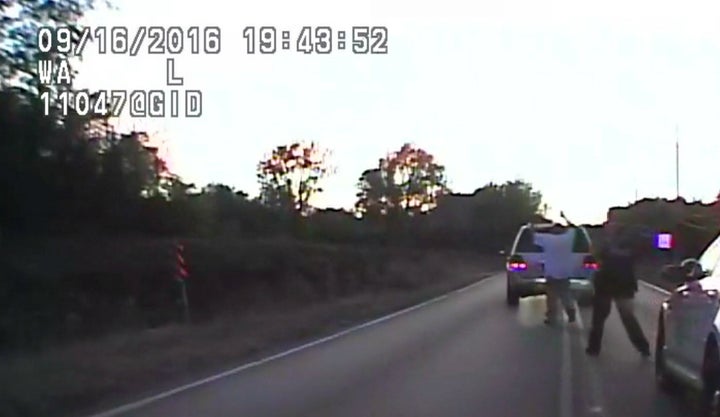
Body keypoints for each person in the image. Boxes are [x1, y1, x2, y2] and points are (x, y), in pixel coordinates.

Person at [585, 221, 650, 357]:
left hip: (622, 283)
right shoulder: (604, 242)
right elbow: (595, 257)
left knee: (627, 317)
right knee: (599, 317)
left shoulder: (627, 242)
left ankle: (643, 347)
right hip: (607, 282)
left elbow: (635, 256)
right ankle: (594, 348)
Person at [533, 223, 577, 325]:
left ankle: (551, 317)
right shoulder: (568, 238)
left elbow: (533, 234)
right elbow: (573, 228)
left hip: (551, 272)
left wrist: (535, 226)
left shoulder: (547, 239)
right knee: (565, 294)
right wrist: (565, 218)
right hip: (565, 272)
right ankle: (571, 311)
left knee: (551, 297)